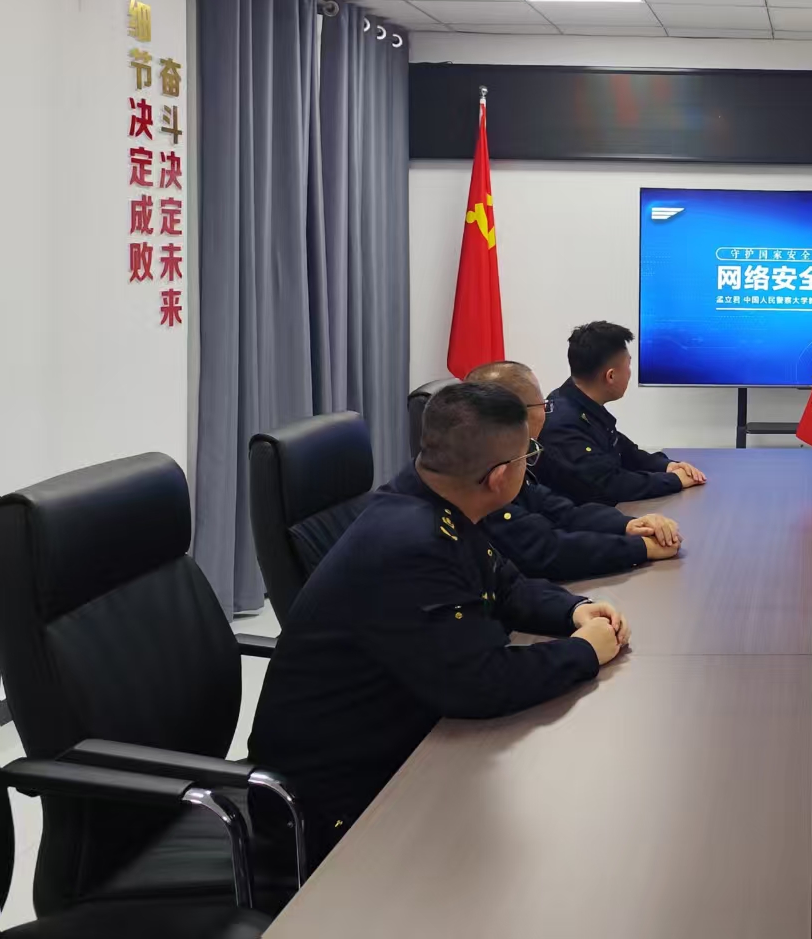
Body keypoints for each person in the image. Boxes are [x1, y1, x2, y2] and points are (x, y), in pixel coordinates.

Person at [249, 381, 630, 865]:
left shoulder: (430, 497)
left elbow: (505, 583)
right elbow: (481, 684)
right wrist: (584, 651)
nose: (531, 464)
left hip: (399, 739)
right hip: (334, 806)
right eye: (528, 456)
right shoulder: (413, 545)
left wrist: (573, 610)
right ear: (499, 477)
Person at [465, 359, 683, 579]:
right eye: (543, 405)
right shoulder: (484, 477)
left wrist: (630, 525)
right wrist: (640, 548)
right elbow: (546, 551)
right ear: (515, 413)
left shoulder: (499, 456)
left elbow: (564, 513)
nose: (547, 411)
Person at [536, 320, 706, 505]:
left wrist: (667, 466)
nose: (629, 373)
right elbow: (609, 485)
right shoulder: (562, 424)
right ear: (611, 376)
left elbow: (622, 450)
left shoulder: (579, 402)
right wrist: (675, 480)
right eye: (628, 365)